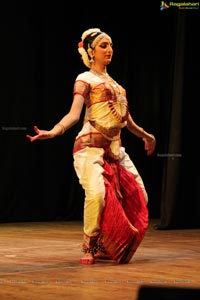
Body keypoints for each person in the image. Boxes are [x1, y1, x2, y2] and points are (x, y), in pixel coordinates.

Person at [26, 28, 156, 265]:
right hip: (90, 148)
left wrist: (146, 135)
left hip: (115, 150)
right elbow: (74, 114)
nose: (109, 50)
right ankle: (90, 244)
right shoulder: (85, 78)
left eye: (111, 45)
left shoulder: (116, 85)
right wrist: (55, 130)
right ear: (90, 51)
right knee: (97, 194)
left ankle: (107, 246)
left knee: (140, 196)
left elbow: (125, 120)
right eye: (104, 45)